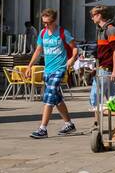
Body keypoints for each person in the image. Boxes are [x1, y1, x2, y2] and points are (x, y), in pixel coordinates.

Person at [26, 9, 78, 139]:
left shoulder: (62, 33)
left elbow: (75, 47)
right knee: (57, 98)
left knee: (49, 97)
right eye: (43, 22)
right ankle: (69, 124)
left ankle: (43, 129)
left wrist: (72, 58)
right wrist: (29, 66)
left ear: (54, 21)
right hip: (47, 70)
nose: (45, 25)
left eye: (48, 23)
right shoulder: (43, 33)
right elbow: (38, 50)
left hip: (59, 69)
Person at [90, 6, 115, 126]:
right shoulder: (101, 30)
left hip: (107, 69)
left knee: (95, 96)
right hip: (102, 68)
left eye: (93, 15)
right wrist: (96, 67)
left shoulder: (110, 30)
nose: (92, 17)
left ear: (99, 15)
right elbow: (102, 52)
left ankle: (97, 125)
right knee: (112, 98)